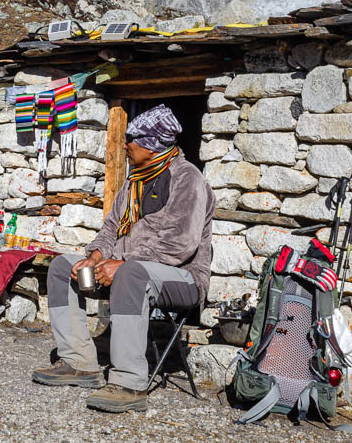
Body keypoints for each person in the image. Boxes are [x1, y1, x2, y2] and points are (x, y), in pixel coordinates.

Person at [31, 104, 215, 413]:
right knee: (64, 266)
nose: (126, 144)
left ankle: (129, 383)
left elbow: (181, 244)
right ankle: (79, 363)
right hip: (131, 268)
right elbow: (111, 228)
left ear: (152, 144)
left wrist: (123, 261)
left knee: (132, 274)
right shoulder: (134, 181)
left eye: (133, 139)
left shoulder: (188, 179)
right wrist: (95, 256)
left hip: (183, 278)